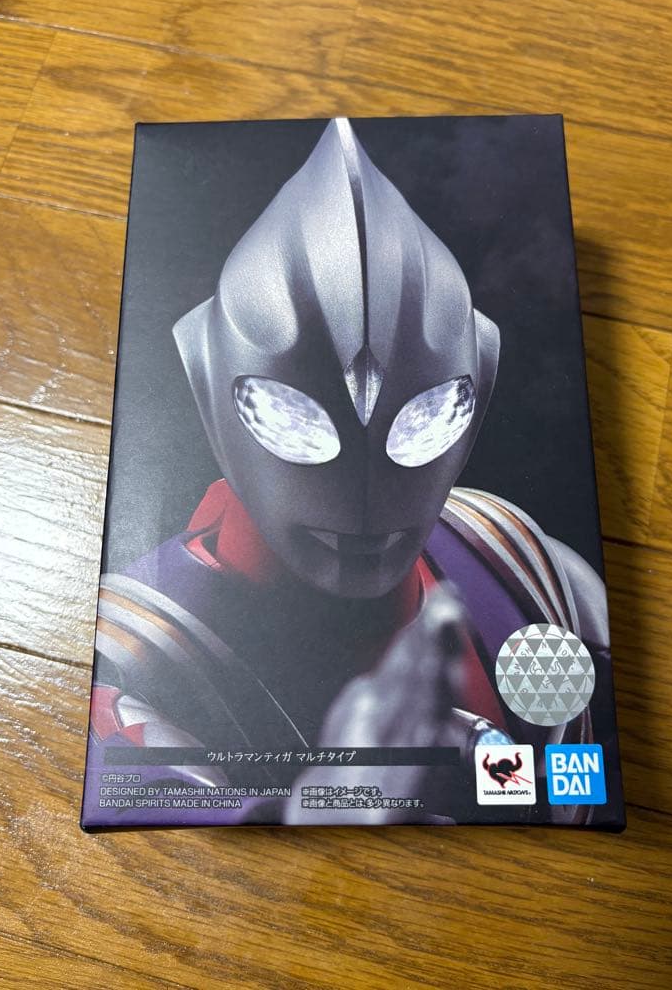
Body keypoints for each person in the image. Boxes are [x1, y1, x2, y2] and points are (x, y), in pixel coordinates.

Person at [89, 119, 614, 824]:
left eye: (427, 417)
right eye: (292, 417)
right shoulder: (134, 660)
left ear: (480, 383)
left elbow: (591, 776)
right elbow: (159, 804)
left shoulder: (522, 565)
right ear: (208, 385)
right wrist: (341, 800)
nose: (364, 493)